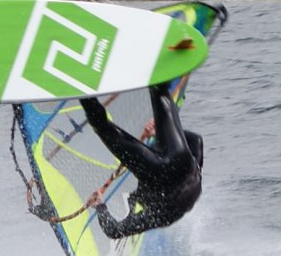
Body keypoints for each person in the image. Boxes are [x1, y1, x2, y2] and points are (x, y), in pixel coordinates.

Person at [78, 86, 203, 238]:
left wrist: (161, 133)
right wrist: (99, 206)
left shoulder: (194, 182)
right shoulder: (160, 217)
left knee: (160, 92)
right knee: (103, 127)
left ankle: (158, 70)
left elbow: (197, 141)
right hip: (162, 175)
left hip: (185, 161)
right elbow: (113, 231)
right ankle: (81, 89)